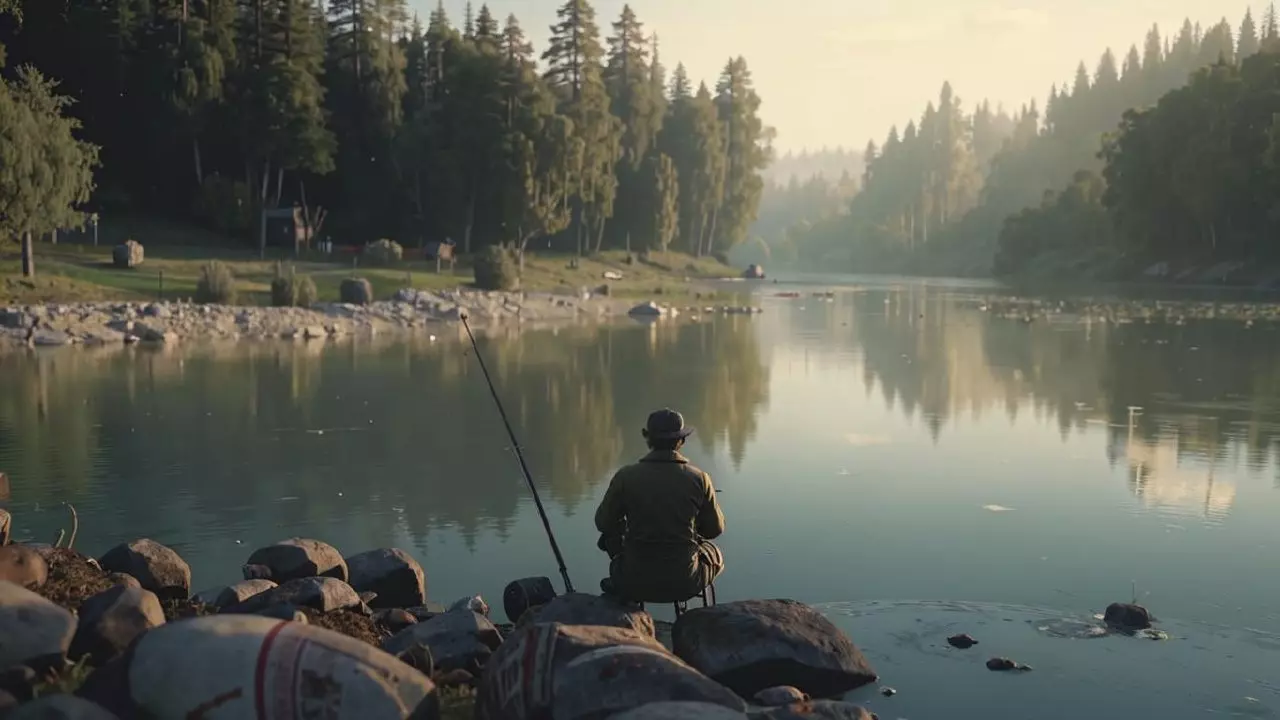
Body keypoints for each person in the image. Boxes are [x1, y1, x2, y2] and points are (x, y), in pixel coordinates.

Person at [594, 408, 725, 603]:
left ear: (649, 440)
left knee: (608, 536)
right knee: (714, 552)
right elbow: (714, 530)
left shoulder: (626, 476)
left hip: (633, 581)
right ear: (681, 441)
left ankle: (622, 587)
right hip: (685, 582)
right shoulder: (699, 478)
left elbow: (603, 523)